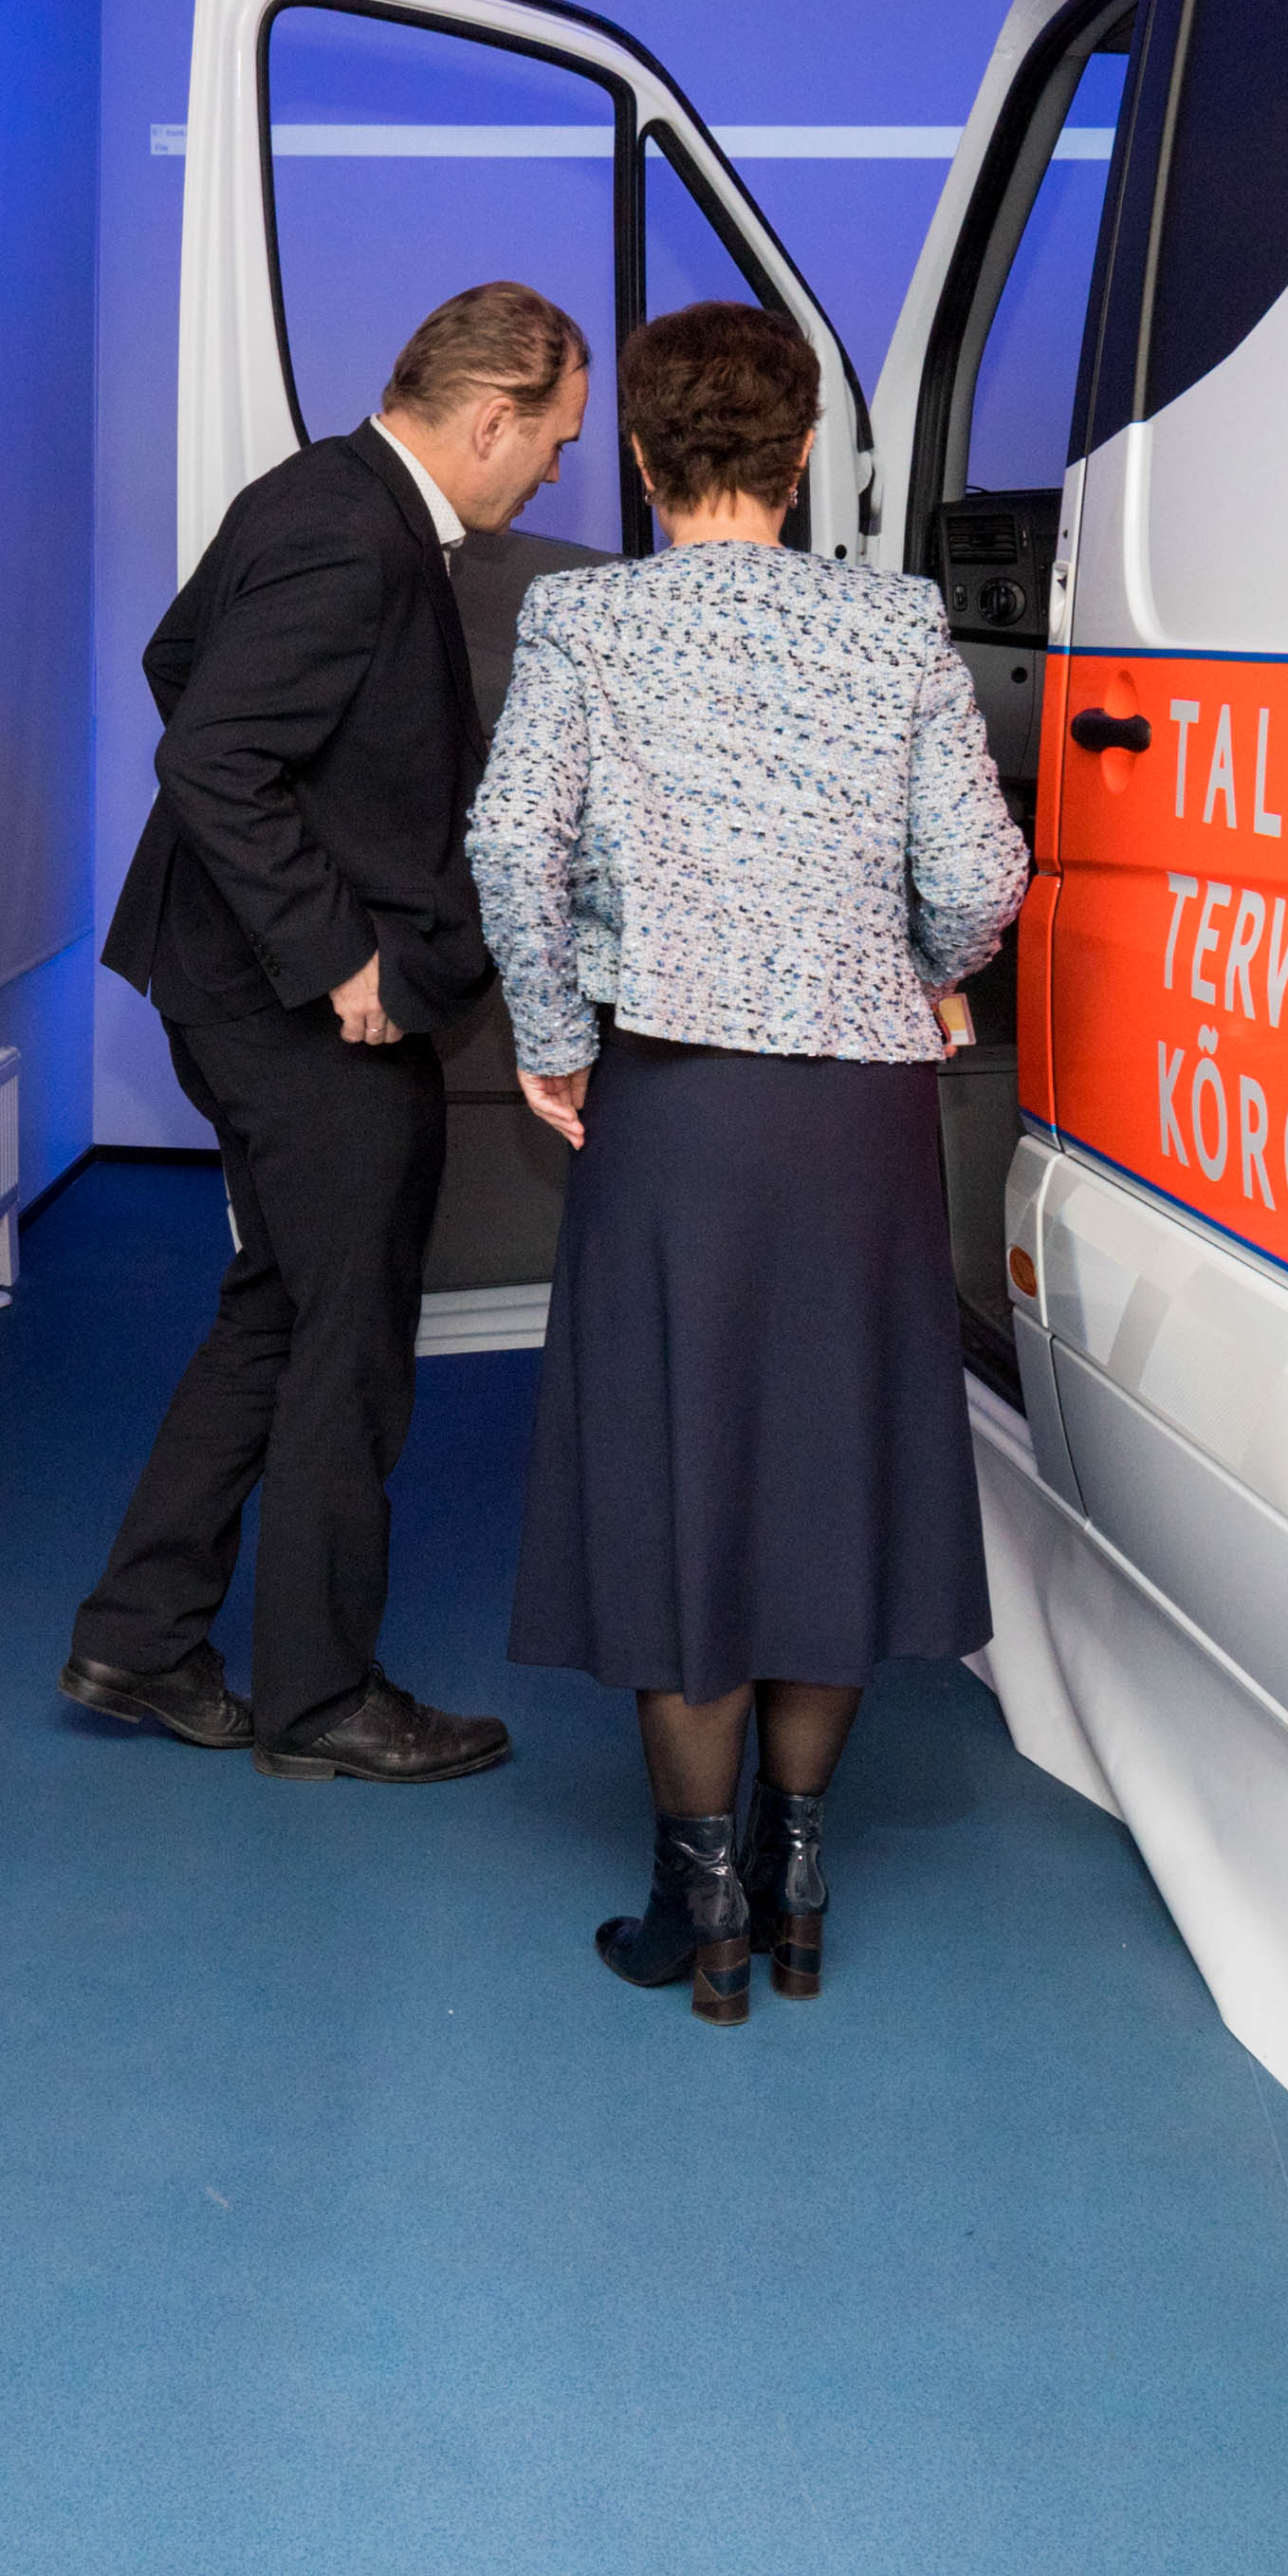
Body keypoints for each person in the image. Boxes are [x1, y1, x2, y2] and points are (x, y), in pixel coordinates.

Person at [466, 303, 1028, 2019]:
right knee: (827, 1469)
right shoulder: (896, 622)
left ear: (642, 458)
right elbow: (980, 874)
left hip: (678, 1101)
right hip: (861, 1115)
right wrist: (915, 967)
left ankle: (696, 1903)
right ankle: (797, 1882)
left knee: (682, 1472)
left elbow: (513, 838)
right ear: (802, 461)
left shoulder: (586, 618)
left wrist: (553, 1032)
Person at [64, 283, 596, 1783]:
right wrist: (336, 948)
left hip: (222, 984)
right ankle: (320, 1700)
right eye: (554, 440)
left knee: (281, 1308)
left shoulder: (313, 490)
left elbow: (181, 662)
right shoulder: (354, 535)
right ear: (488, 416)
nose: (554, 470)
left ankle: (140, 1632)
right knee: (349, 1344)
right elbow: (213, 749)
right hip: (296, 1012)